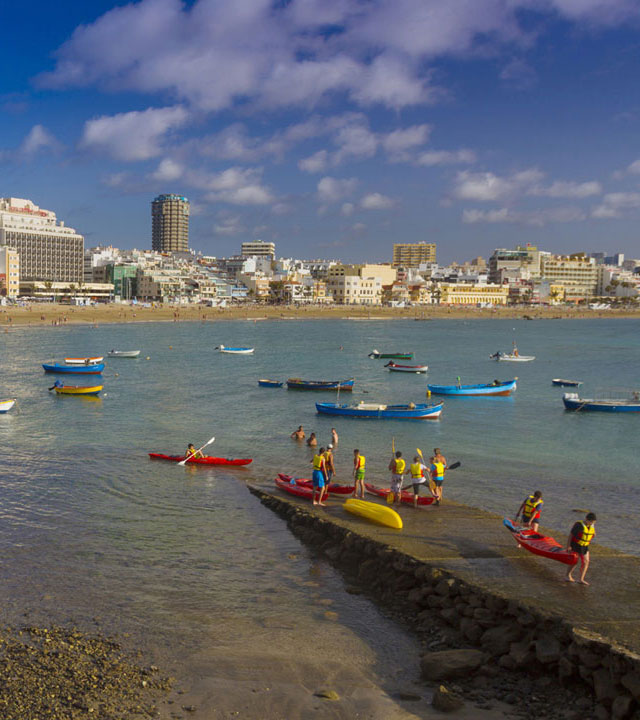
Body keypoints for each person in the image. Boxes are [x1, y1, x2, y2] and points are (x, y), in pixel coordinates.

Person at [566, 512, 597, 585]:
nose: (592, 523)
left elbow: (593, 534)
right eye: (591, 522)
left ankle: (581, 579)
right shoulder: (579, 525)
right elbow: (571, 535)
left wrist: (593, 533)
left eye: (593, 522)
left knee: (586, 562)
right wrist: (568, 546)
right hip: (576, 545)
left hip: (584, 545)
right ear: (586, 519)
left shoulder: (592, 525)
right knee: (574, 561)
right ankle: (567, 575)